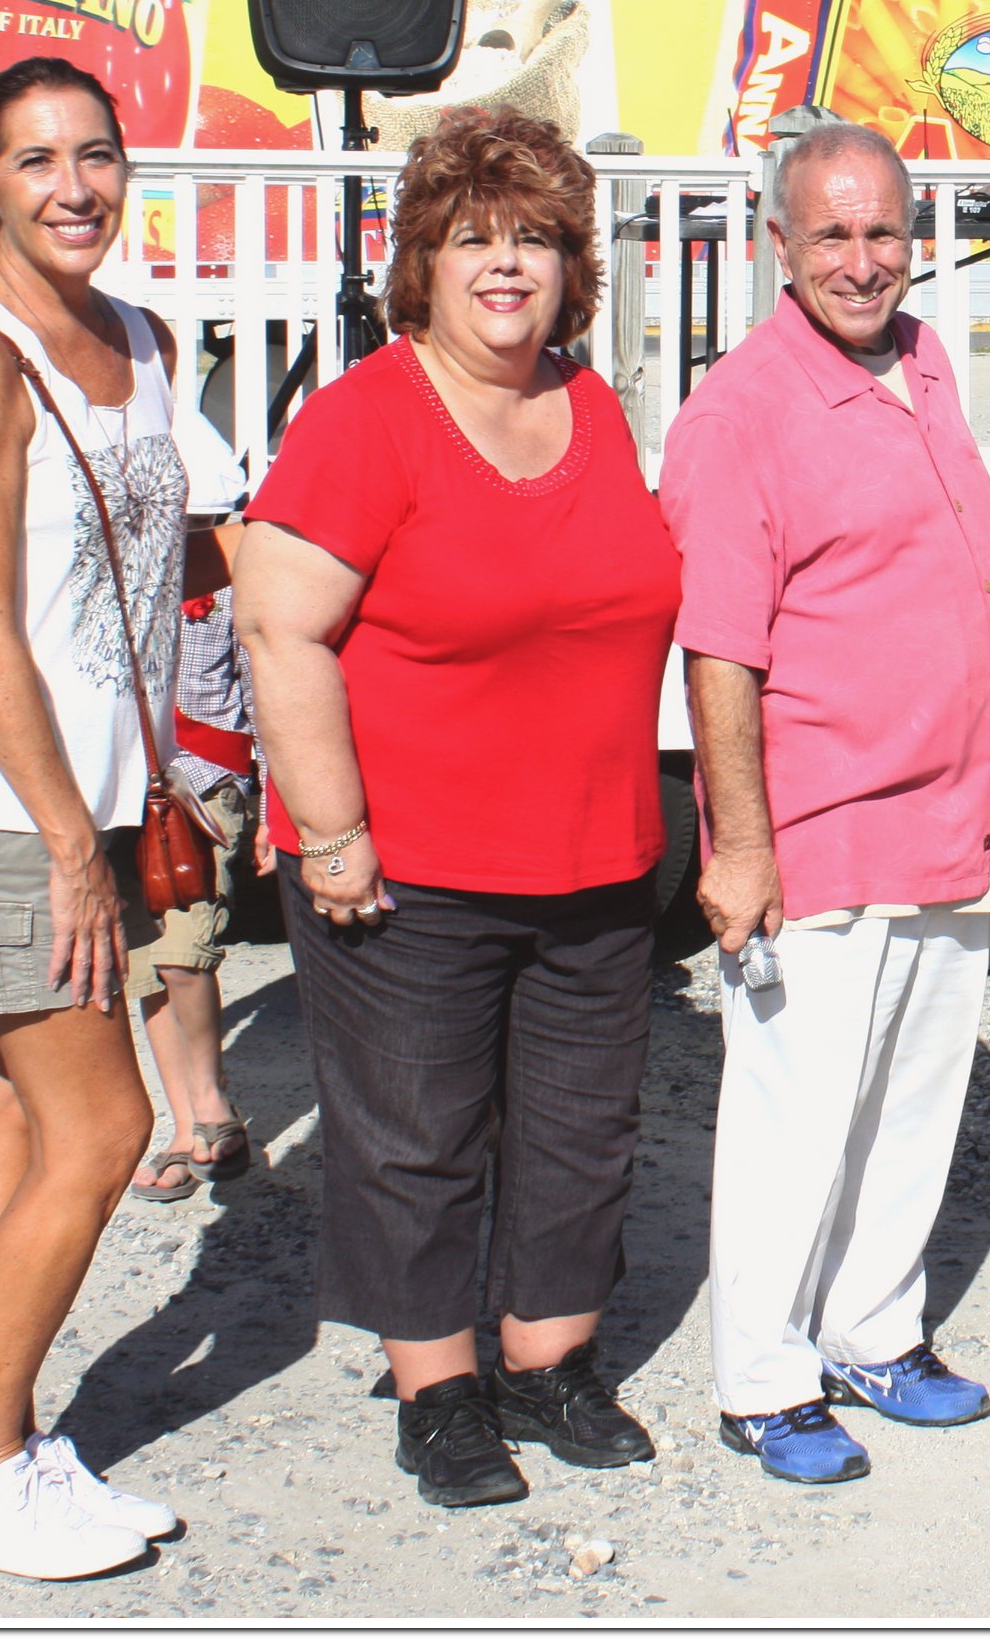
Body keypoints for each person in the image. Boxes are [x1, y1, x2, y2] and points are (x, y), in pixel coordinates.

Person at [233, 105, 680, 1510]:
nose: (508, 267)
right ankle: (438, 1390)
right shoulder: (365, 419)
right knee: (415, 1137)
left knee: (576, 1126)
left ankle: (549, 1365)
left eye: (536, 239)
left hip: (596, 860)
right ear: (420, 261)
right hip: (411, 867)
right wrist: (332, 831)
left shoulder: (591, 406)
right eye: (476, 238)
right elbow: (277, 631)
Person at [660, 120, 990, 1486]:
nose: (862, 262)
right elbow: (719, 653)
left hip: (948, 813)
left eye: (882, 232)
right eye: (832, 235)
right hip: (818, 824)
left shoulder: (921, 359)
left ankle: (871, 1328)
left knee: (913, 1099)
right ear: (777, 245)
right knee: (794, 1118)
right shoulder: (738, 412)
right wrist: (737, 847)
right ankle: (762, 1376)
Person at [0, 56, 188, 1578]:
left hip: (109, 795)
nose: (72, 185)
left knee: (8, 1114)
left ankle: (4, 1438)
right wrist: (72, 838)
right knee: (109, 1123)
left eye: (95, 152)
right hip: (16, 808)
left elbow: (173, 561)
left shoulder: (139, 335)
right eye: (34, 161)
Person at [126, 417, 261, 1204]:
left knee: (186, 952)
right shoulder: (124, 584)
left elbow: (267, 697)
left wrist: (278, 810)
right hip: (131, 785)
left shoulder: (235, 588)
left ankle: (208, 1100)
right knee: (147, 962)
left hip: (207, 785)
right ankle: (188, 1122)